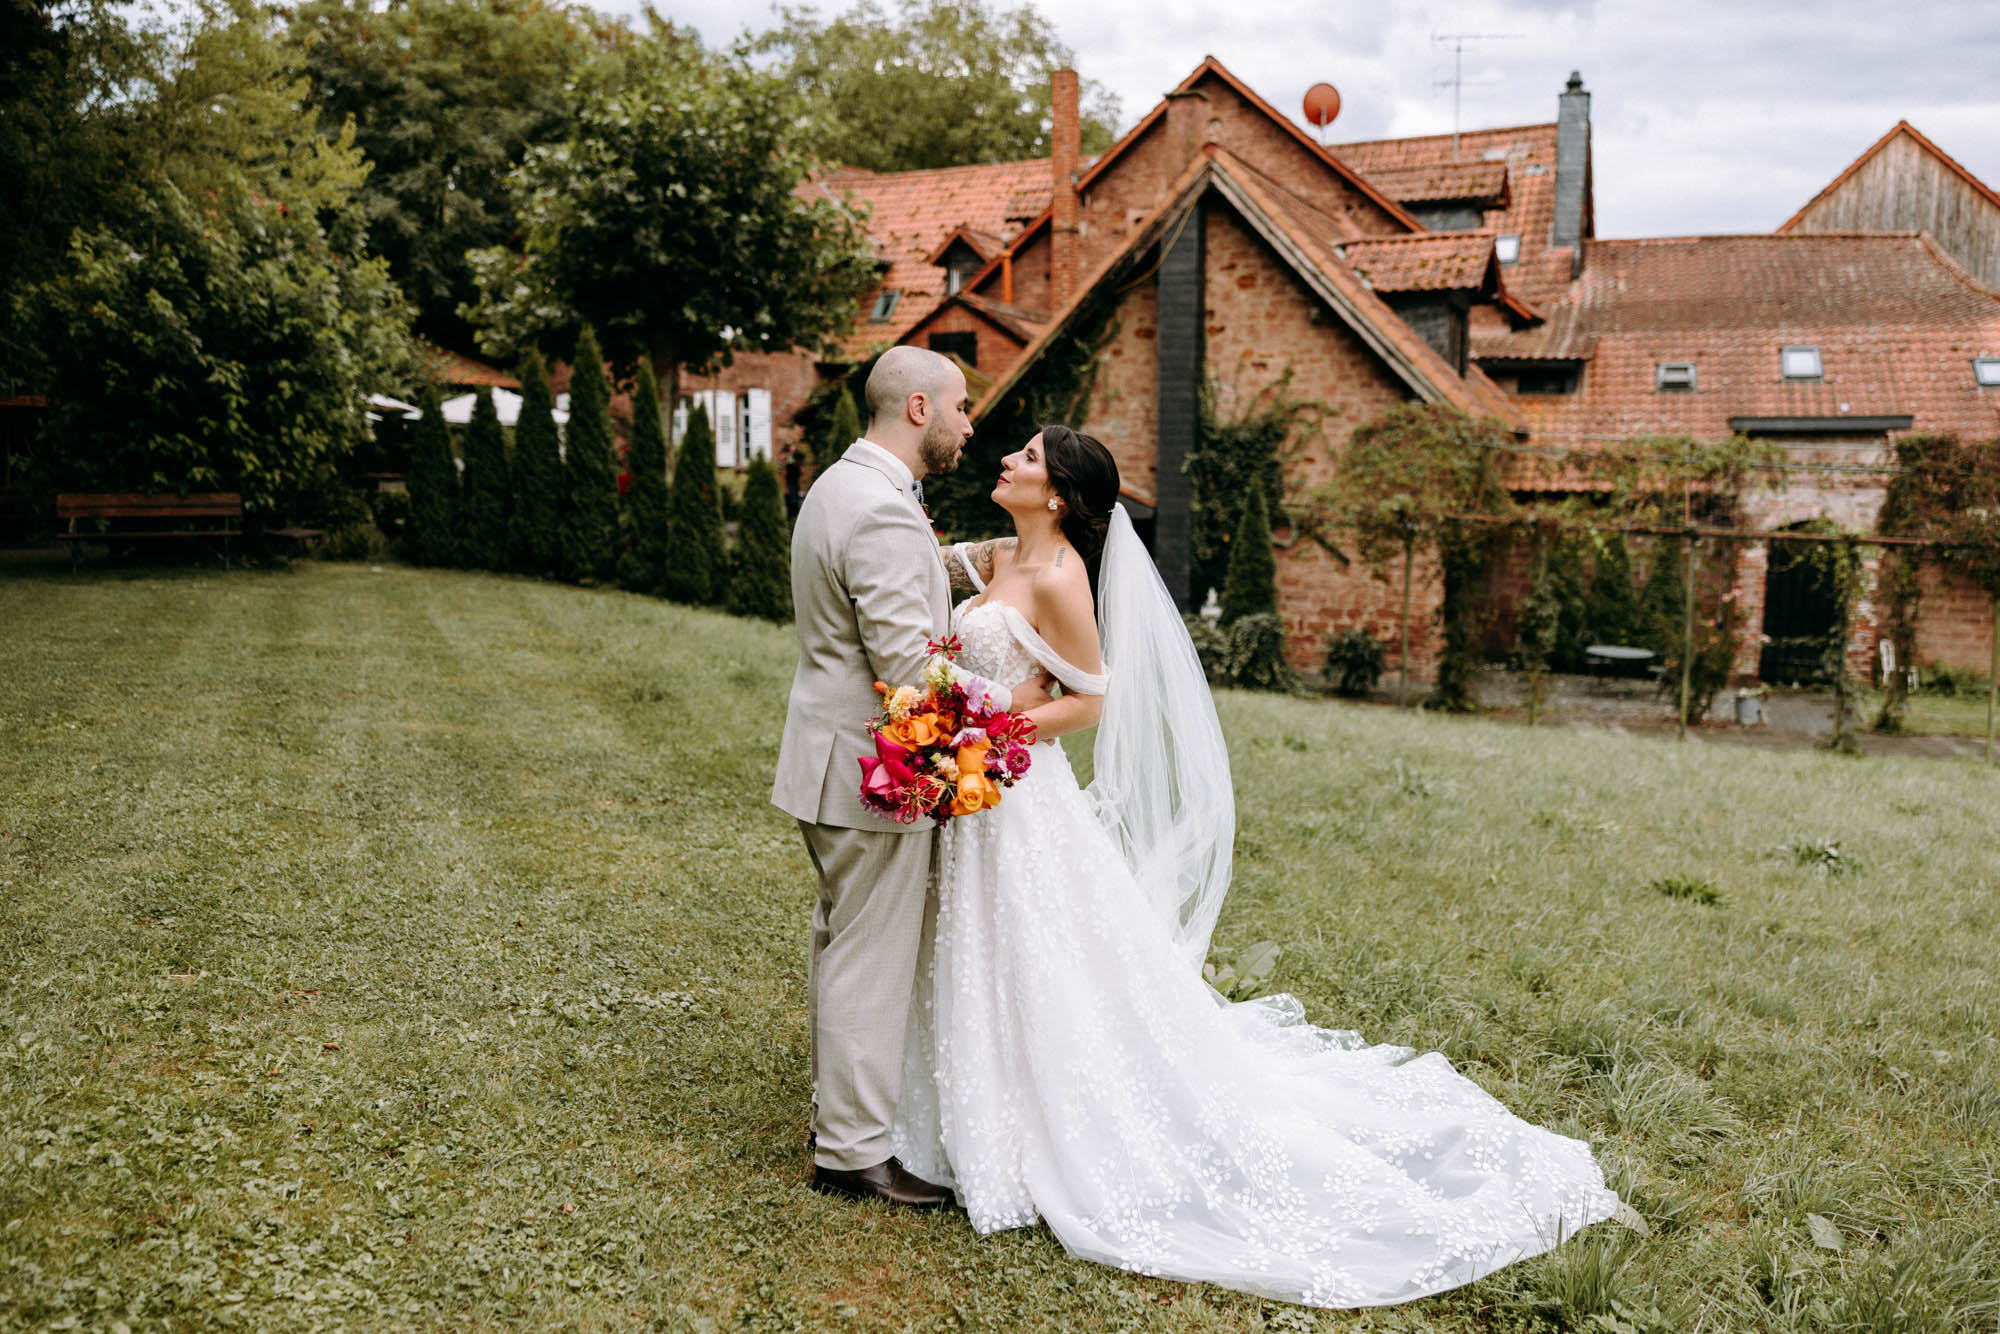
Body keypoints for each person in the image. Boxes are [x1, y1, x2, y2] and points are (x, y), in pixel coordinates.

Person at [890, 424, 1621, 1308]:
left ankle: (1044, 1121)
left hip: (1015, 788)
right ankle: (967, 1105)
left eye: (1031, 458)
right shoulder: (999, 555)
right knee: (983, 941)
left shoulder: (1059, 579)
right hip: (973, 787)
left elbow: (1089, 699)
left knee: (1037, 950)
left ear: (1059, 496)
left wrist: (989, 726)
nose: (1009, 458)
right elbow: (922, 562)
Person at [771, 348, 1049, 1208]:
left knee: (844, 940)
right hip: (871, 769)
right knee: (870, 955)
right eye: (964, 409)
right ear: (921, 408)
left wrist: (976, 561)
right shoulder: (883, 512)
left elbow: (897, 577)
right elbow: (910, 670)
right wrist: (1017, 700)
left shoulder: (842, 487)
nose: (973, 426)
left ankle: (838, 1118)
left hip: (825, 754)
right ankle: (853, 1156)